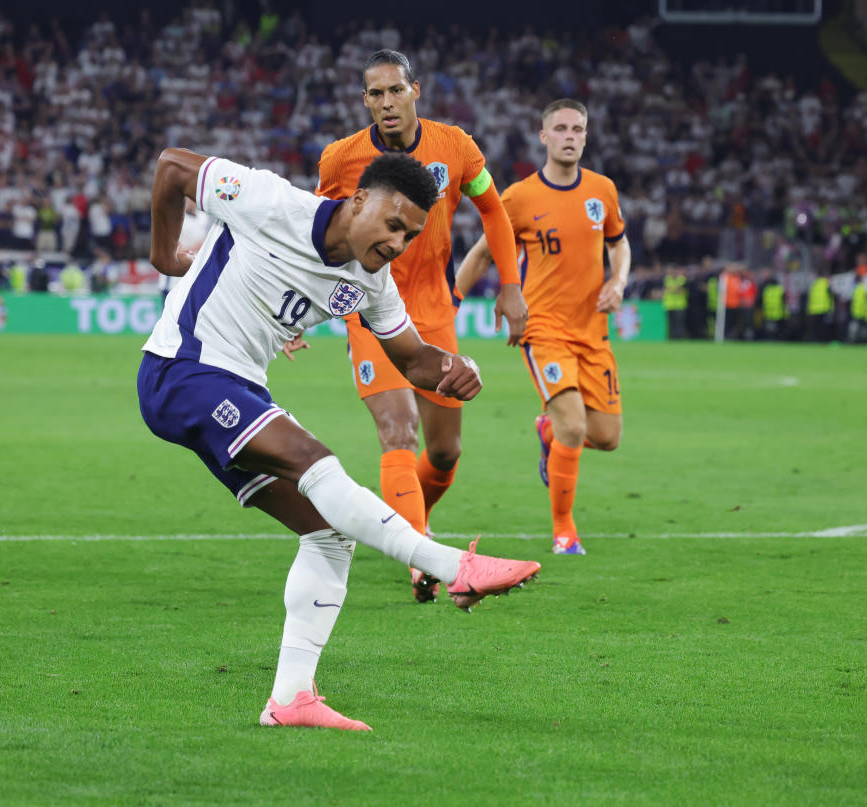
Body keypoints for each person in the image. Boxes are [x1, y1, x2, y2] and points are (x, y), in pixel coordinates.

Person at [138, 147, 541, 732]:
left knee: (327, 534)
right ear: (357, 201)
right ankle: (451, 563)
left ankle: (291, 698)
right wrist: (163, 256)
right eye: (392, 223)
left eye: (409, 234)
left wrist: (455, 367)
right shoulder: (271, 201)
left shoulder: (372, 284)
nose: (397, 242)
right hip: (181, 370)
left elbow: (414, 361)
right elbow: (173, 167)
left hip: (239, 387)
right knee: (315, 462)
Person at [313, 49, 526, 603]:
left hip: (433, 312)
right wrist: (294, 311)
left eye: (395, 91)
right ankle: (420, 560)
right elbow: (314, 236)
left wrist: (510, 285)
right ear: (365, 100)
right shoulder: (340, 159)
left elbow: (494, 211)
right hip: (367, 307)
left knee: (447, 451)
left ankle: (411, 521)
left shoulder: (454, 146)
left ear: (415, 91)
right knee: (397, 427)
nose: (386, 102)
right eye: (375, 94)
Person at [455, 98, 630, 556]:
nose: (570, 136)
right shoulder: (519, 197)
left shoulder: (602, 191)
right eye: (561, 129)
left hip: (593, 332)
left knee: (607, 438)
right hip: (544, 328)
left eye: (577, 129)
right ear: (544, 136)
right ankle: (564, 531)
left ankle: (546, 432)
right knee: (574, 426)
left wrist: (620, 279)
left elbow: (619, 242)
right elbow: (481, 253)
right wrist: (451, 301)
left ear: (586, 136)